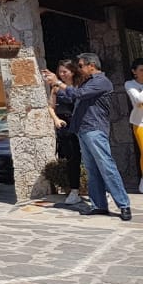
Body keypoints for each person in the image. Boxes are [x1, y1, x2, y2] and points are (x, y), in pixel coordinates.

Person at [44, 53, 131, 221]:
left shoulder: (101, 81)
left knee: (106, 166)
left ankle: (123, 204)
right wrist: (55, 85)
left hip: (94, 129)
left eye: (81, 66)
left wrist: (59, 82)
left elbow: (79, 94)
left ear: (92, 66)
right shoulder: (87, 82)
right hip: (83, 130)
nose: (79, 69)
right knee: (92, 170)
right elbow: (72, 97)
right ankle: (99, 205)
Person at [48, 58, 82, 204]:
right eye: (60, 72)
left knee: (91, 158)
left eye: (65, 71)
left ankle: (100, 189)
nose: (62, 74)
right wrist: (56, 119)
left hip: (80, 125)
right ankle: (74, 190)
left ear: (72, 71)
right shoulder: (55, 88)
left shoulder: (79, 86)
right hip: (66, 126)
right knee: (72, 159)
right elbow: (51, 107)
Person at [127, 56, 143, 194]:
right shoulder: (130, 84)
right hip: (140, 123)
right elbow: (138, 99)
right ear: (134, 71)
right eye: (141, 70)